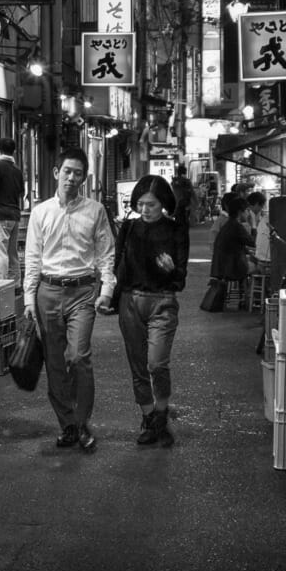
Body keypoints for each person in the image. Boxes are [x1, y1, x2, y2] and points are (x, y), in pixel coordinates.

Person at [23, 147, 116, 453]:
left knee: (78, 357)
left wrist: (105, 292)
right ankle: (68, 425)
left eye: (78, 173)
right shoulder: (40, 212)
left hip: (83, 292)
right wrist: (28, 299)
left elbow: (106, 255)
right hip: (47, 292)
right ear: (56, 173)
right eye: (67, 171)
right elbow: (33, 260)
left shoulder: (95, 211)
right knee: (54, 363)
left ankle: (83, 421)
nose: (72, 177)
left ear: (84, 177)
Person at [110, 175, 189, 446]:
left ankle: (162, 412)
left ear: (163, 204)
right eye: (140, 204)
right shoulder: (128, 228)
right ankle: (149, 420)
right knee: (138, 366)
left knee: (157, 363)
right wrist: (107, 295)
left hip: (162, 301)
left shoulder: (176, 229)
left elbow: (181, 277)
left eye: (151, 205)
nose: (145, 209)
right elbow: (116, 266)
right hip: (130, 302)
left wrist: (172, 269)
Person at [0, 137, 25, 282]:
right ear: (13, 151)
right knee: (12, 252)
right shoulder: (17, 170)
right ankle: (15, 285)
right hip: (14, 215)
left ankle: (2, 286)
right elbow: (22, 194)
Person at [211, 195, 255, 309]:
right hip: (233, 268)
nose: (248, 214)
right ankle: (251, 301)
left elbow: (235, 244)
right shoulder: (237, 226)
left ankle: (243, 299)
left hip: (221, 267)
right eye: (247, 211)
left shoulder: (228, 225)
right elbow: (253, 242)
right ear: (240, 212)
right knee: (259, 268)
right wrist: (253, 225)